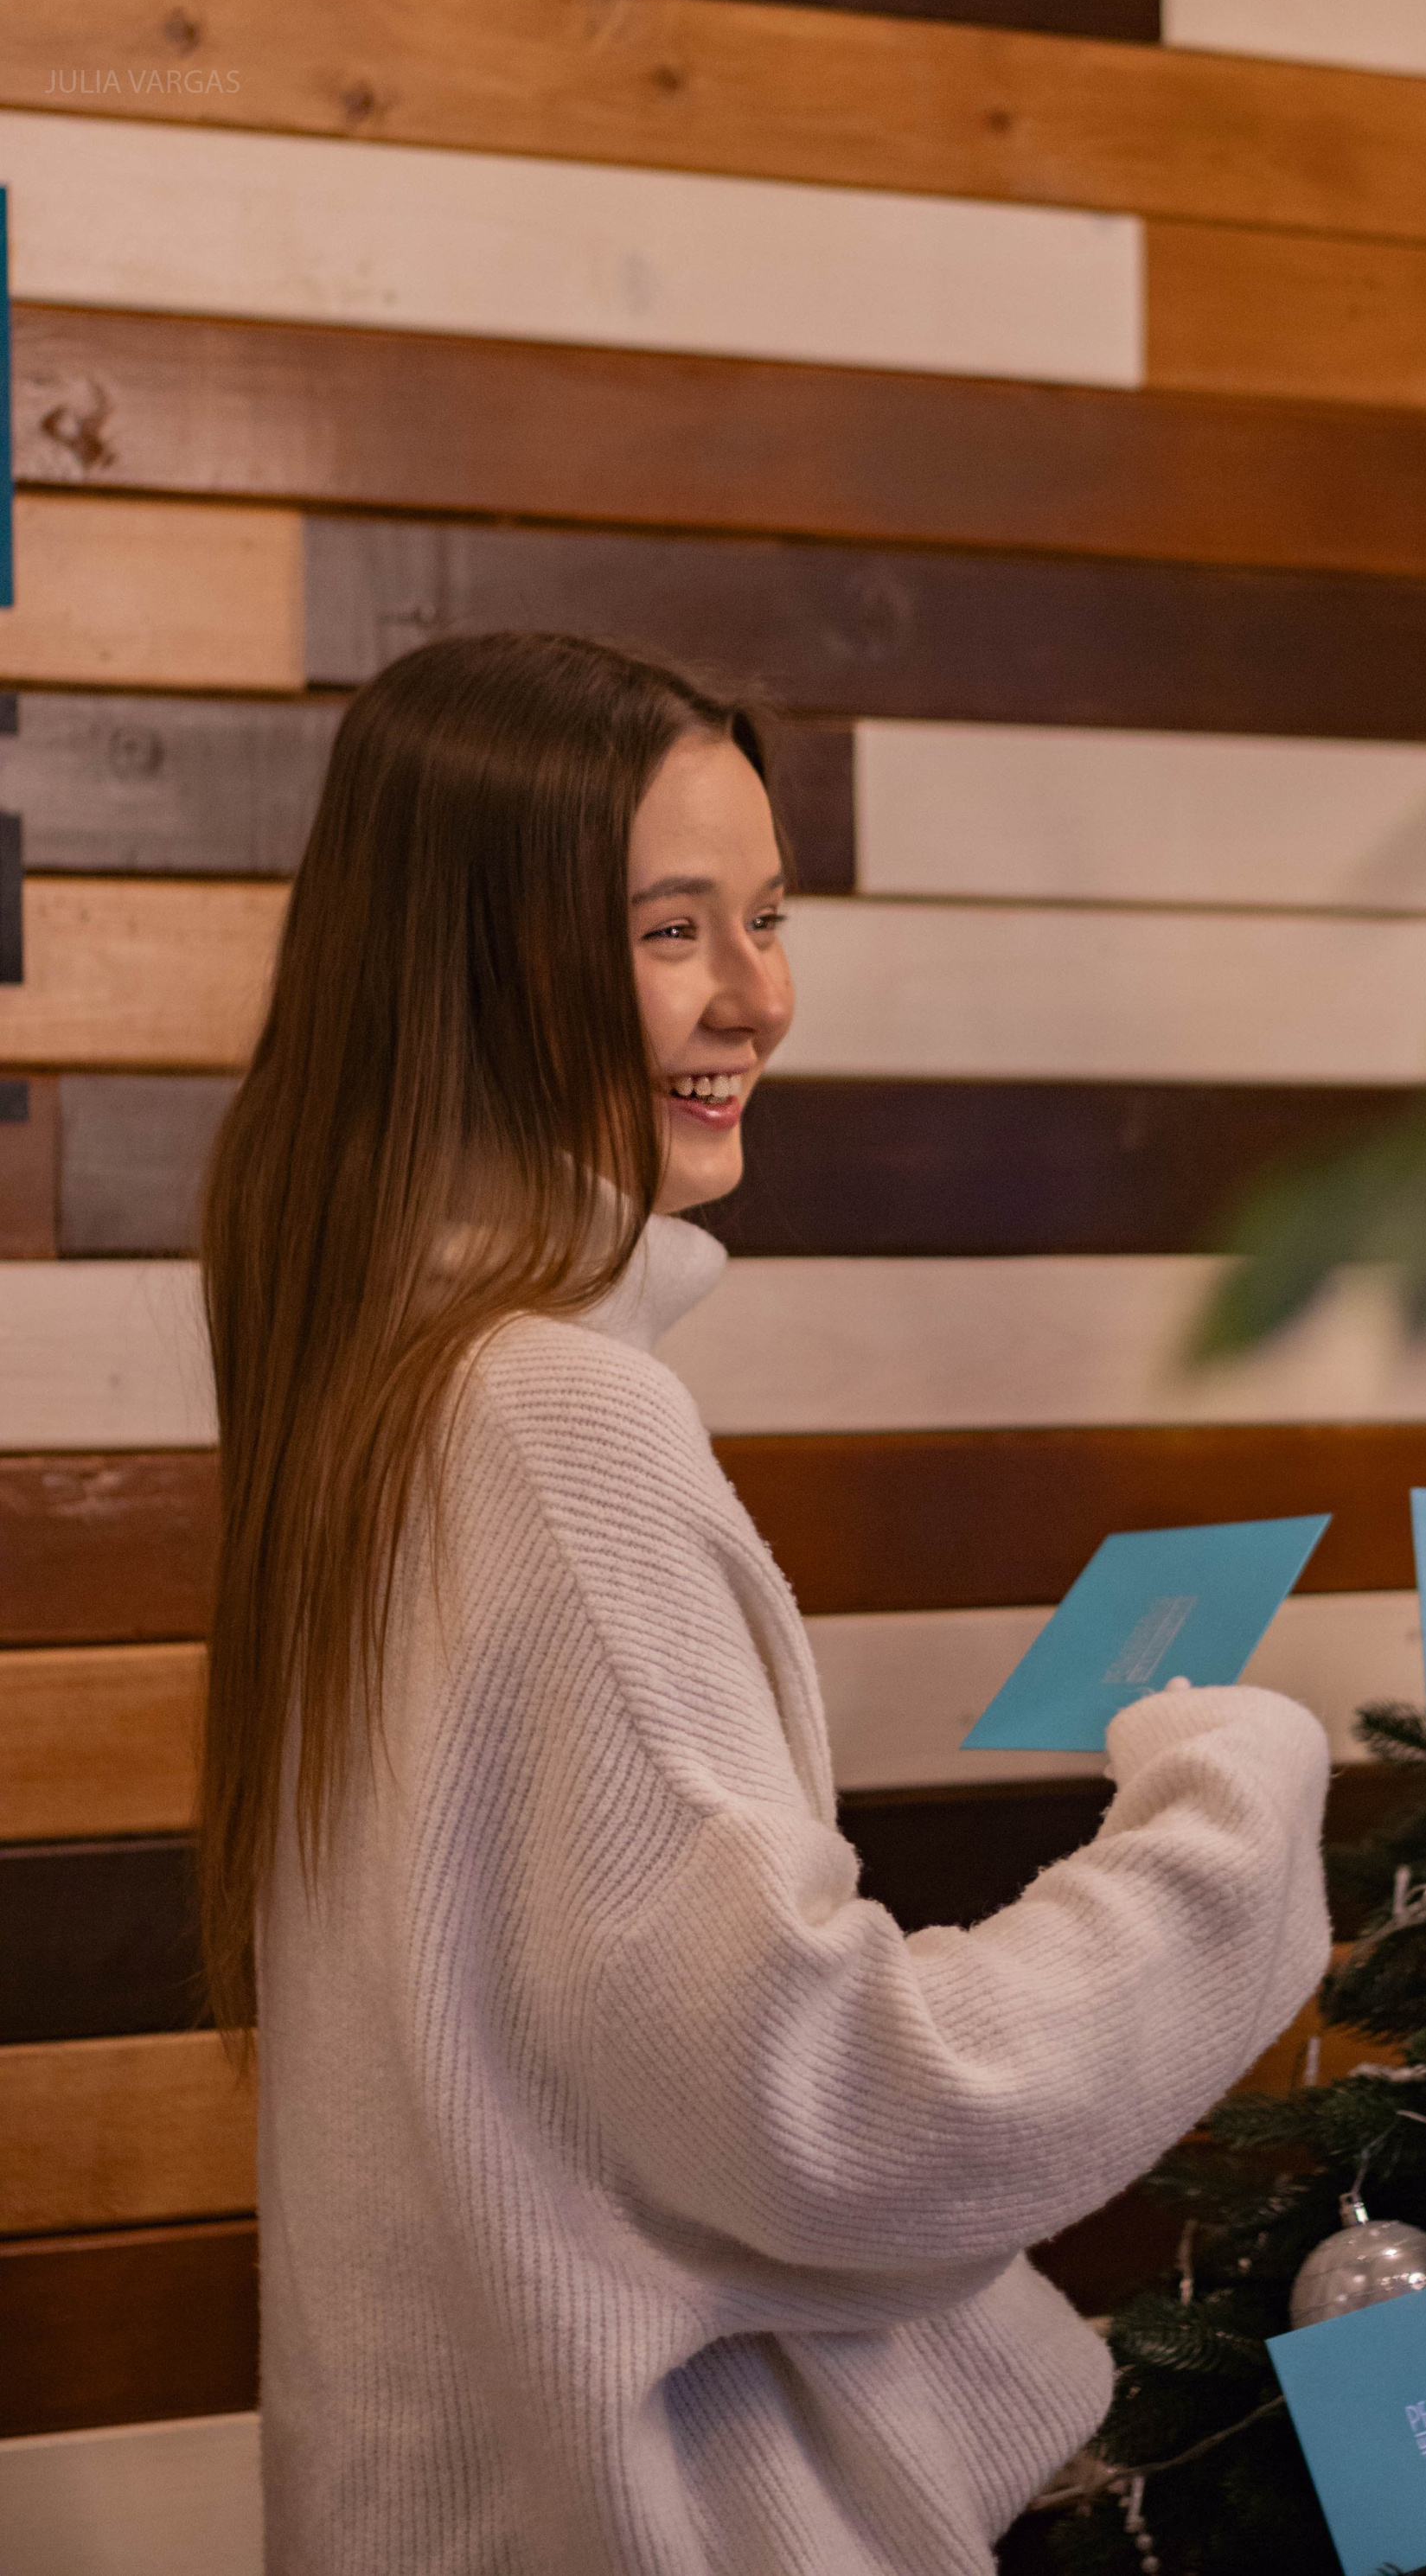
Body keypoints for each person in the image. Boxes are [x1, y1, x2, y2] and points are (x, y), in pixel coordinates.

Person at [195, 632, 1333, 2576]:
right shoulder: (552, 1425)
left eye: (770, 917)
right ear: (479, 970)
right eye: (671, 930)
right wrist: (1231, 1804)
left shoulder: (372, 1385)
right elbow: (850, 2103)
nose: (761, 997)